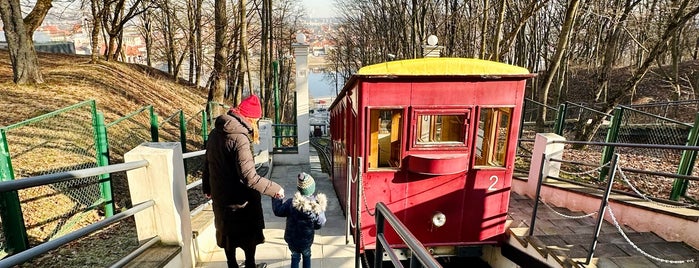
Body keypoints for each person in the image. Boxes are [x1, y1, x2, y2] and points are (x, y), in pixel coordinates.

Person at [203, 94, 285, 268]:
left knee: (227, 236)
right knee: (248, 237)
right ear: (251, 118)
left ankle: (232, 265)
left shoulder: (215, 132)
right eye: (256, 120)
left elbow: (208, 163)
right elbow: (249, 177)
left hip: (221, 197)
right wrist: (274, 188)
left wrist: (207, 188)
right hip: (241, 201)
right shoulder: (240, 138)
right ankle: (250, 265)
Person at [271, 172, 327, 268]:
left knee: (295, 256)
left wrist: (277, 198)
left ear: (299, 189)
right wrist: (314, 226)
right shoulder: (315, 206)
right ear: (312, 188)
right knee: (307, 256)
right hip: (306, 240)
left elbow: (278, 211)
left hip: (292, 239)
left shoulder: (291, 203)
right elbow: (321, 222)